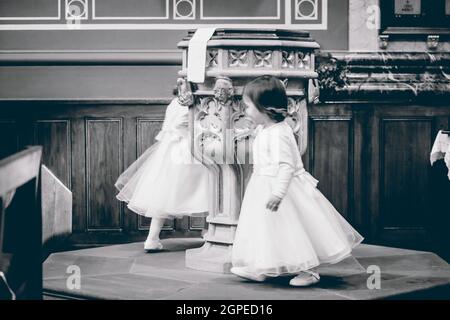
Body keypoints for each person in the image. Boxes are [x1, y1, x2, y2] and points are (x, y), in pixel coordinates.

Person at [231, 75, 364, 286]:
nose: (244, 111)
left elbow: (286, 166)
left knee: (293, 230)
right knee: (264, 229)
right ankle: (261, 267)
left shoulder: (280, 134)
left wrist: (278, 193)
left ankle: (309, 271)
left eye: (248, 106)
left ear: (266, 109)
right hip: (262, 184)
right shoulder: (264, 129)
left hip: (282, 190)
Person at [115, 95, 209, 251]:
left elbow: (172, 126)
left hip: (169, 150)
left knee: (164, 194)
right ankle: (208, 231)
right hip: (188, 152)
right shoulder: (195, 105)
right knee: (206, 189)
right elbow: (195, 127)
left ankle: (152, 238)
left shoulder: (175, 102)